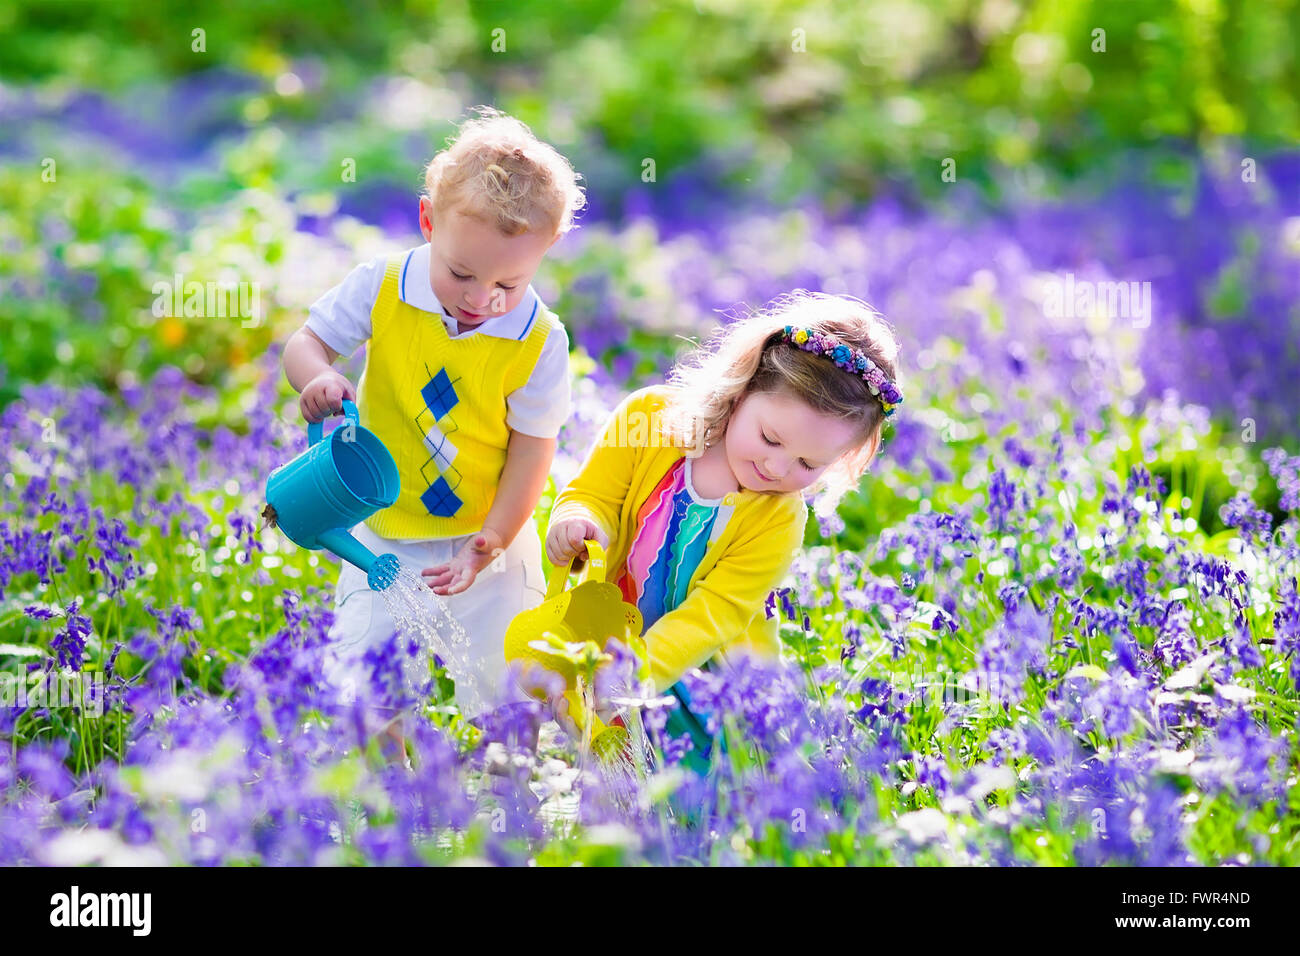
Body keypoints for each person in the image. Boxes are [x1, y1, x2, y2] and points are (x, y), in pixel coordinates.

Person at [280, 107, 585, 760]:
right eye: (463, 274)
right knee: (364, 680)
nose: (482, 299)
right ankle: (394, 794)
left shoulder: (537, 340)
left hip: (489, 541)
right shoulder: (384, 285)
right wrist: (314, 381)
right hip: (381, 532)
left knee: (506, 681)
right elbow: (307, 344)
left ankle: (508, 790)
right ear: (427, 222)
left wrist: (493, 540)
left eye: (510, 281)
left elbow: (534, 450)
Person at [540, 290, 904, 774]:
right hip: (610, 639)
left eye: (808, 463)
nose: (776, 467)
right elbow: (594, 494)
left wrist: (636, 674)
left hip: (706, 674)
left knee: (692, 797)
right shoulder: (649, 420)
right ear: (742, 388)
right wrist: (577, 520)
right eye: (770, 438)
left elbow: (713, 615)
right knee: (591, 759)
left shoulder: (779, 519)